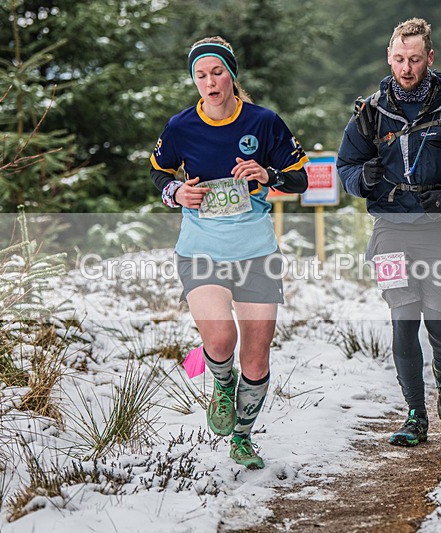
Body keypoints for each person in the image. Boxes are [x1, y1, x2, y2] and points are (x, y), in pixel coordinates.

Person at [337, 18, 441, 446]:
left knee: (439, 322)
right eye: (399, 59)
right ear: (388, 58)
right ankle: (415, 415)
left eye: (414, 59)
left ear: (429, 58)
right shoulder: (370, 112)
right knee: (403, 321)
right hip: (390, 230)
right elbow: (345, 170)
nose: (406, 68)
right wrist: (363, 177)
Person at [150, 36, 309, 469]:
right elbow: (158, 173)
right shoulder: (181, 127)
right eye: (200, 75)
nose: (209, 82)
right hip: (200, 249)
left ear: (232, 76)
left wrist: (268, 172)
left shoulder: (263, 123)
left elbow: (299, 180)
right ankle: (221, 385)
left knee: (256, 356)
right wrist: (176, 192)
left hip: (256, 252)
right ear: (194, 81)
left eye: (217, 72)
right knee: (220, 339)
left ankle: (242, 436)